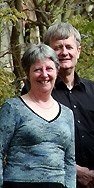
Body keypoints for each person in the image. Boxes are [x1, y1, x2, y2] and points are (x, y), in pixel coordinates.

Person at [22, 23, 94, 188]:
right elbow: (35, 140)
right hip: (55, 180)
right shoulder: (36, 90)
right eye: (58, 47)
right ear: (48, 52)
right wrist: (75, 171)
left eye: (69, 47)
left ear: (78, 51)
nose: (64, 52)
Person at [0, 44, 76, 188]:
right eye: (37, 70)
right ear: (27, 74)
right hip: (19, 184)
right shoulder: (13, 108)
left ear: (56, 72)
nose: (44, 75)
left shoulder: (67, 114)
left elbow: (70, 161)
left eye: (49, 69)